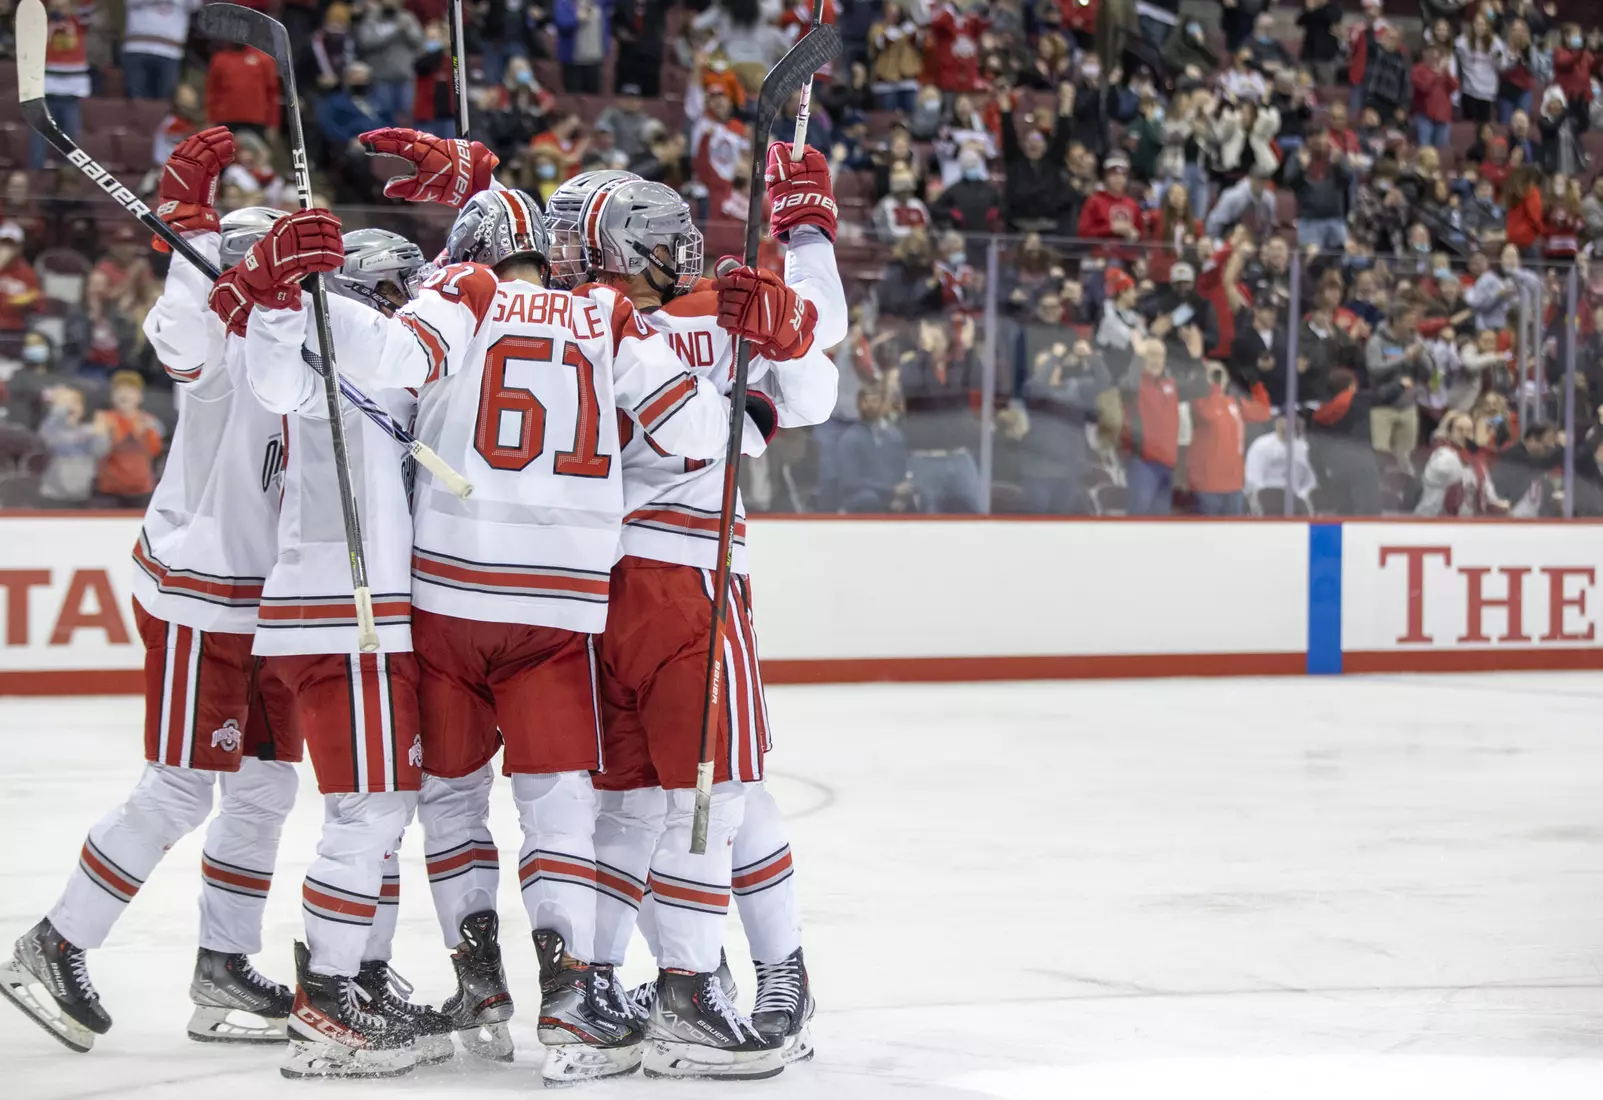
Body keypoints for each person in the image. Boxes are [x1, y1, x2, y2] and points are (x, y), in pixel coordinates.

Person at [0, 136, 302, 1055]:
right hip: (202, 597)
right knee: (180, 787)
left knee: (266, 786)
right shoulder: (217, 345)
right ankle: (54, 945)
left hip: (271, 605)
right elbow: (179, 332)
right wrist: (190, 230)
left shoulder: (304, 343)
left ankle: (223, 967)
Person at [1020, 338, 1109, 514]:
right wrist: (1055, 356)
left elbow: (1104, 382)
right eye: (1043, 366)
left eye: (1053, 364)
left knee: (1062, 523)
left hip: (1070, 471)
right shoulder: (1032, 389)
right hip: (1039, 473)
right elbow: (1038, 386)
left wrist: (1090, 356)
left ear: (1060, 368)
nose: (1050, 368)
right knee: (1035, 523)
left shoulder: (1075, 387)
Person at [1188, 360, 1272, 515]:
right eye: (1214, 375)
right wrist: (1213, 387)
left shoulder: (1235, 403)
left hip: (1234, 484)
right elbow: (1209, 416)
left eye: (1221, 375)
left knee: (1233, 530)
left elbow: (1263, 413)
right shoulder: (1199, 403)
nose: (1218, 379)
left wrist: (1256, 386)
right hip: (1208, 484)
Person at [1121, 336, 1186, 515]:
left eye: (1160, 356)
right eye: (1151, 355)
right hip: (1142, 463)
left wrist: (1195, 359)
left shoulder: (1171, 384)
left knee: (1161, 522)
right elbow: (1128, 388)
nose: (1156, 361)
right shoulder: (1133, 383)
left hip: (1167, 464)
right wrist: (1138, 357)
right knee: (1139, 518)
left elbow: (1202, 388)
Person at [1366, 302, 1425, 468]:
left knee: (1405, 460)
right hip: (1383, 407)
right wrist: (1404, 358)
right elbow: (1375, 369)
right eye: (1408, 321)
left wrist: (1421, 355)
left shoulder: (1413, 340)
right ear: (1396, 321)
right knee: (1382, 458)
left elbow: (1427, 372)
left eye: (1414, 320)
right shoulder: (1376, 342)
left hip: (1408, 407)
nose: (1413, 325)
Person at [352, 0, 426, 125]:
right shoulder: (372, 19)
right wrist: (394, 30)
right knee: (383, 116)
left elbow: (419, 41)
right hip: (380, 77)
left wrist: (407, 30)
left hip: (404, 75)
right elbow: (365, 41)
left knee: (406, 116)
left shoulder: (407, 17)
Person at [838, 385, 910, 511]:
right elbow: (851, 482)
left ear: (883, 404)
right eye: (866, 401)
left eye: (875, 401)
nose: (870, 405)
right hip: (863, 497)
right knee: (869, 500)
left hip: (893, 495)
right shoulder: (850, 438)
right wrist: (891, 491)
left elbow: (902, 470)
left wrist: (900, 497)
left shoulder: (894, 435)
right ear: (859, 405)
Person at [37, 384, 108, 504]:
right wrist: (60, 407)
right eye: (65, 403)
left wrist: (102, 435)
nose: (70, 406)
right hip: (52, 496)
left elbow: (100, 452)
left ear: (83, 409)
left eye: (75, 402)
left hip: (83, 495)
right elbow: (47, 436)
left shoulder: (89, 431)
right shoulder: (51, 429)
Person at [1284, 131, 1351, 251]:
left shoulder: (1335, 155)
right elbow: (1289, 182)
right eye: (1314, 138)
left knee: (1341, 257)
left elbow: (1348, 179)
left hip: (1335, 218)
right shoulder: (1299, 156)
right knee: (1312, 257)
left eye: (1320, 137)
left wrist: (1338, 164)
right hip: (1309, 220)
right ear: (1308, 141)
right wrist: (1302, 167)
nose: (1318, 142)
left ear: (1326, 138)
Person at [123, 0, 200, 101]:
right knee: (136, 101)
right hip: (137, 48)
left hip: (170, 52)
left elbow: (195, 5)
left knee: (166, 102)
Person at [205, 40, 281, 140]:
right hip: (225, 120)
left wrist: (273, 123)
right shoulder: (220, 59)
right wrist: (210, 119)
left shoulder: (264, 59)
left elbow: (272, 94)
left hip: (256, 122)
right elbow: (212, 92)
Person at [1243, 415, 1318, 511]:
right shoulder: (1262, 446)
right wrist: (1259, 501)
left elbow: (1309, 478)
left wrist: (1303, 495)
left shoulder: (1302, 447)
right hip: (1268, 497)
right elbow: (1253, 479)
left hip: (1295, 498)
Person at [1415, 410, 1478, 515]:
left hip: (1462, 521)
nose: (1464, 434)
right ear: (1449, 432)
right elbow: (1450, 471)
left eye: (1469, 430)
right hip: (1431, 520)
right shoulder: (1443, 455)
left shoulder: (1473, 460)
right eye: (1459, 429)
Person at [1076, 152, 1143, 244]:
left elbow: (1142, 235)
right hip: (1099, 251)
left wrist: (1135, 234)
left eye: (1123, 175)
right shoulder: (1094, 201)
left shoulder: (1132, 204)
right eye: (1113, 174)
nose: (1118, 178)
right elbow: (1083, 233)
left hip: (1126, 252)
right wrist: (1110, 229)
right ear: (1105, 177)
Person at [554, 0, 612, 94]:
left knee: (594, 99)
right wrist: (577, 19)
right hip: (573, 62)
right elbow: (561, 24)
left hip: (596, 60)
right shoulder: (565, 2)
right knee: (573, 98)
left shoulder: (600, 2)